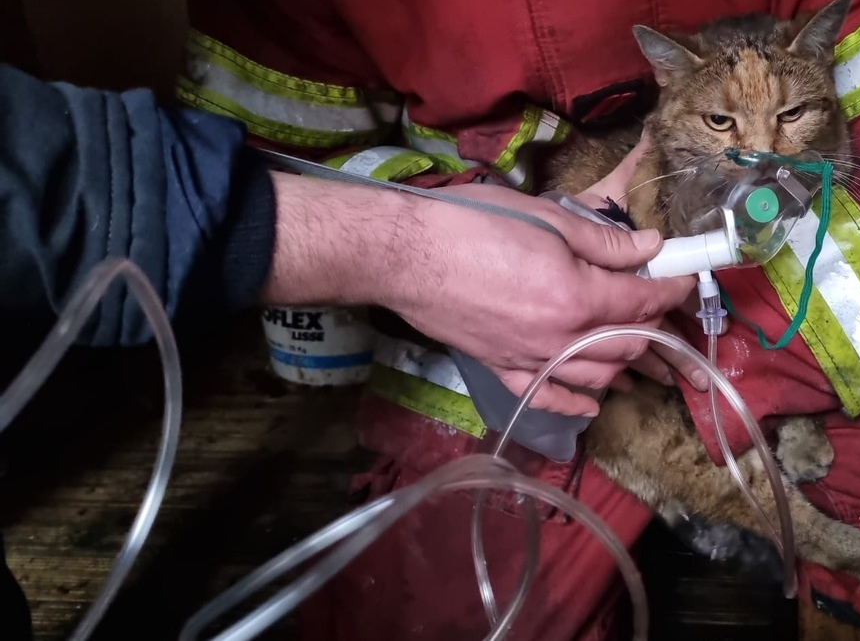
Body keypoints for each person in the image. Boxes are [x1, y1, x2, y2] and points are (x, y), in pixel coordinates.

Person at [174, 0, 860, 640]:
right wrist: (427, 257)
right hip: (471, 336)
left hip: (795, 303)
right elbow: (264, 159)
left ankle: (729, 493)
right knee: (436, 615)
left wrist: (727, 369)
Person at [0, 43, 699, 641]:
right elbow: (261, 140)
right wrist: (424, 237)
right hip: (459, 338)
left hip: (712, 323)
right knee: (438, 612)